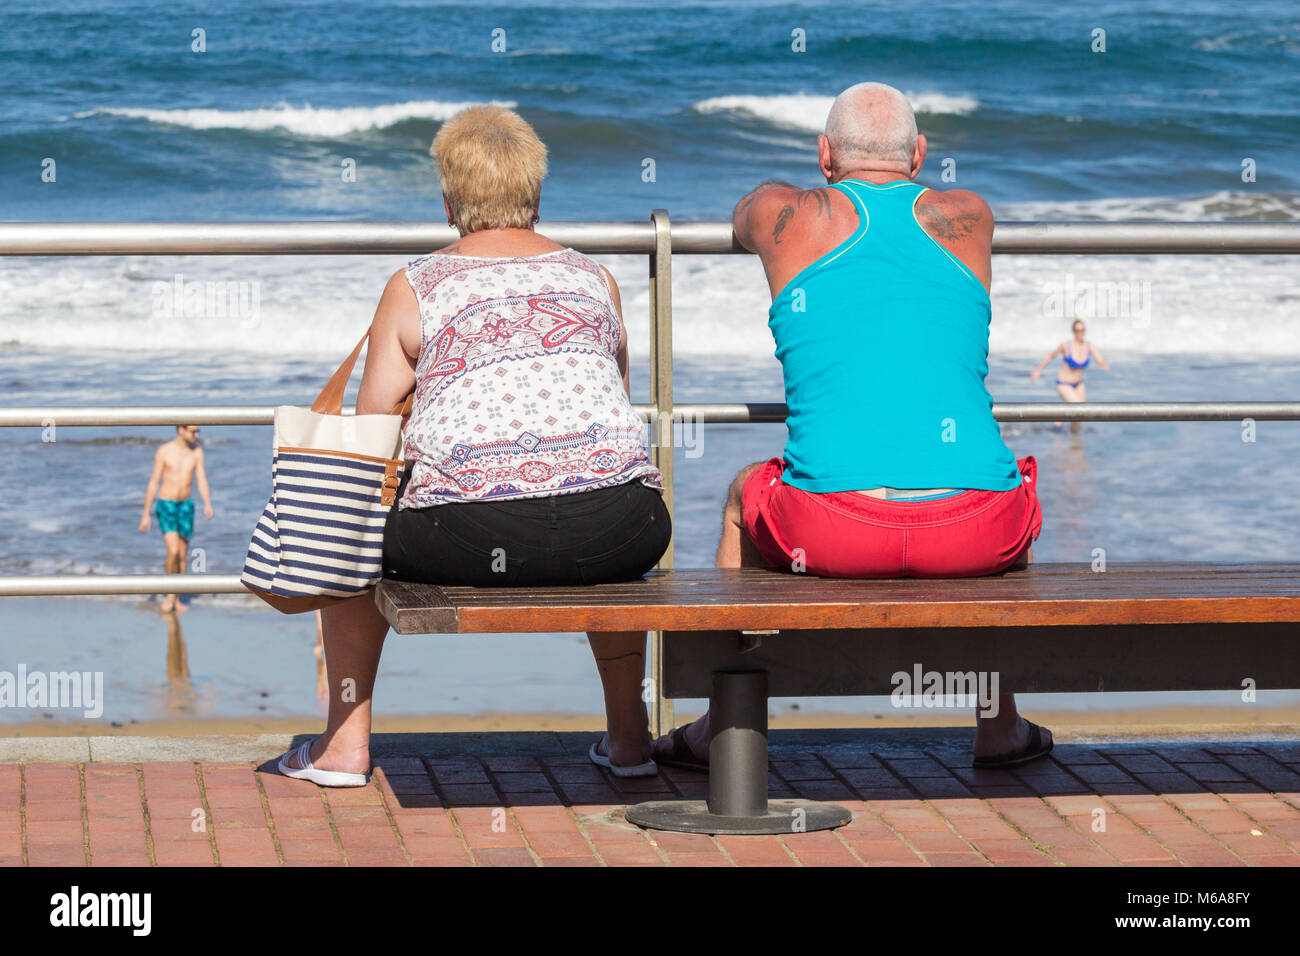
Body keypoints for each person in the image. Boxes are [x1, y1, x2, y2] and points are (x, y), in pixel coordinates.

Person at [653, 82, 1050, 773]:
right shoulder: (969, 216)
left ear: (824, 153)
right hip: (974, 528)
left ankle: (727, 725)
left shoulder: (791, 215)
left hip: (831, 526)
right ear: (920, 154)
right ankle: (998, 725)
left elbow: (747, 212)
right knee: (1002, 479)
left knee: (741, 491)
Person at [275, 106, 670, 787]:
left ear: (448, 201)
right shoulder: (596, 279)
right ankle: (629, 741)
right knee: (603, 490)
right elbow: (616, 408)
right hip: (622, 529)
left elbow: (373, 434)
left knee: (349, 527)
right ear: (537, 197)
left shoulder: (414, 285)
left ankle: (344, 746)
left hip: (466, 535)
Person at [139, 424, 213, 613]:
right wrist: (145, 513)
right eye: (193, 431)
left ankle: (176, 596)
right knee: (172, 551)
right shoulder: (164, 451)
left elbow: (202, 479)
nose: (197, 434)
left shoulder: (197, 452)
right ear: (181, 430)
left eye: (198, 431)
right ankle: (170, 594)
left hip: (186, 505)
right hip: (166, 505)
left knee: (182, 554)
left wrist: (207, 503)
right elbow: (154, 481)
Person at [1031, 319, 1110, 429]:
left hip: (1079, 384)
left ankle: (1074, 441)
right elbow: (1050, 356)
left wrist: (1103, 364)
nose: (1080, 333)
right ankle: (1060, 414)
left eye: (1082, 330)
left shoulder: (1089, 346)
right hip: (1063, 384)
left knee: (1080, 418)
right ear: (1073, 332)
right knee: (1079, 410)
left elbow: (1099, 358)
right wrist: (1037, 371)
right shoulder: (1066, 346)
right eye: (1078, 330)